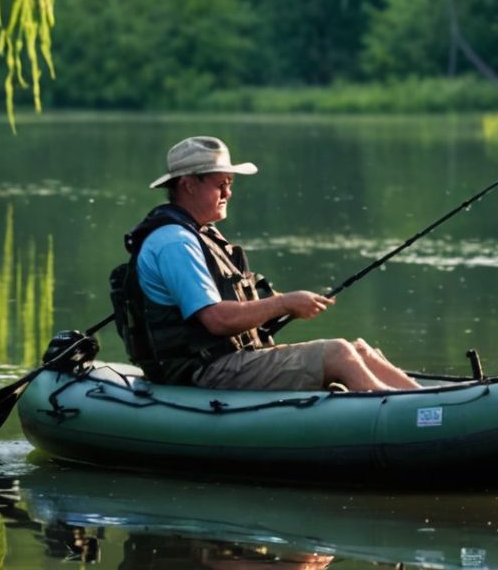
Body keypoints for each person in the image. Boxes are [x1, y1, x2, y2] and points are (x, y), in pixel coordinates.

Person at [112, 136, 419, 392]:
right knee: (338, 352)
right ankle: (405, 417)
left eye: (230, 183)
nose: (228, 193)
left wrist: (285, 302)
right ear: (189, 185)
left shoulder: (199, 233)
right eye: (221, 184)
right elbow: (216, 320)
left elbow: (229, 307)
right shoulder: (175, 243)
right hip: (205, 370)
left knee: (360, 350)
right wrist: (285, 303)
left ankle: (427, 401)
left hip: (227, 359)